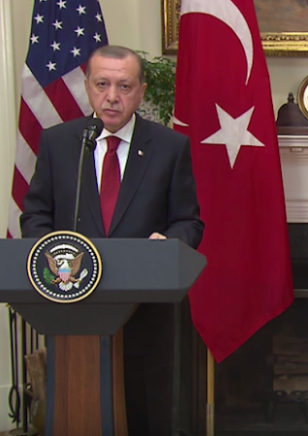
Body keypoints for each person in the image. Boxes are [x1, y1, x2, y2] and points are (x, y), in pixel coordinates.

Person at [20, 45, 204, 435]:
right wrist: (52, 256)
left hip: (145, 312)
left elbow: (188, 222)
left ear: (140, 92)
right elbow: (35, 214)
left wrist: (167, 244)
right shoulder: (58, 143)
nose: (112, 96)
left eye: (124, 86)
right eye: (102, 84)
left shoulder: (169, 147)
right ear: (87, 86)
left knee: (143, 413)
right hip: (74, 309)